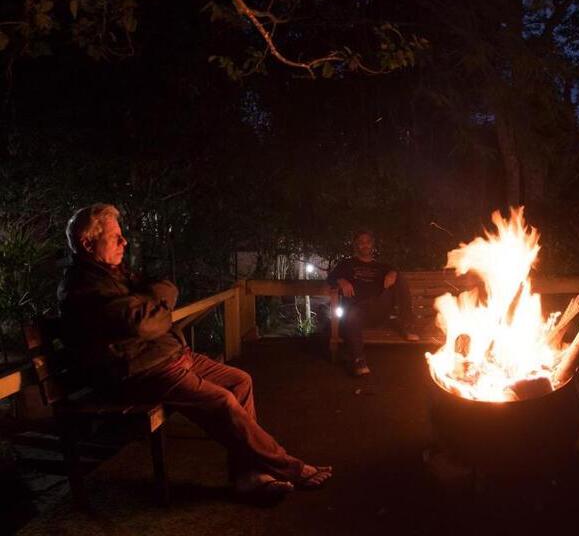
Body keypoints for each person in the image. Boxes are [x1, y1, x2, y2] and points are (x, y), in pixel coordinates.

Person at [57, 203, 330, 499]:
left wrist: (155, 307)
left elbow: (166, 289)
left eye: (122, 236)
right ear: (87, 243)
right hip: (140, 372)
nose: (124, 242)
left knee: (240, 381)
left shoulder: (117, 275)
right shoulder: (83, 288)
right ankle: (289, 467)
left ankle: (248, 474)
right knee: (223, 402)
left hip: (169, 355)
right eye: (115, 237)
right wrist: (156, 308)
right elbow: (144, 324)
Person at [327, 229, 419, 376]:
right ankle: (359, 360)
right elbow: (330, 278)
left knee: (398, 275)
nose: (365, 245)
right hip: (357, 312)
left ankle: (408, 325)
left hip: (379, 309)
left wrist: (392, 273)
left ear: (372, 245)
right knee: (352, 313)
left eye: (367, 242)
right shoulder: (347, 264)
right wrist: (341, 280)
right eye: (361, 242)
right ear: (356, 245)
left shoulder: (381, 266)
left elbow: (395, 275)